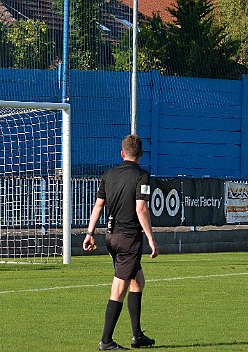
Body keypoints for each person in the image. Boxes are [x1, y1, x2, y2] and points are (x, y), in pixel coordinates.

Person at [83, 134, 159, 351]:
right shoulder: (142, 176)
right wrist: (152, 240)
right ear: (141, 154)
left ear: (122, 153)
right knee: (119, 287)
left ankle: (137, 336)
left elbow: (98, 206)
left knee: (138, 280)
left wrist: (89, 233)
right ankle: (106, 341)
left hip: (111, 237)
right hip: (128, 239)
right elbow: (141, 209)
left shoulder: (109, 174)